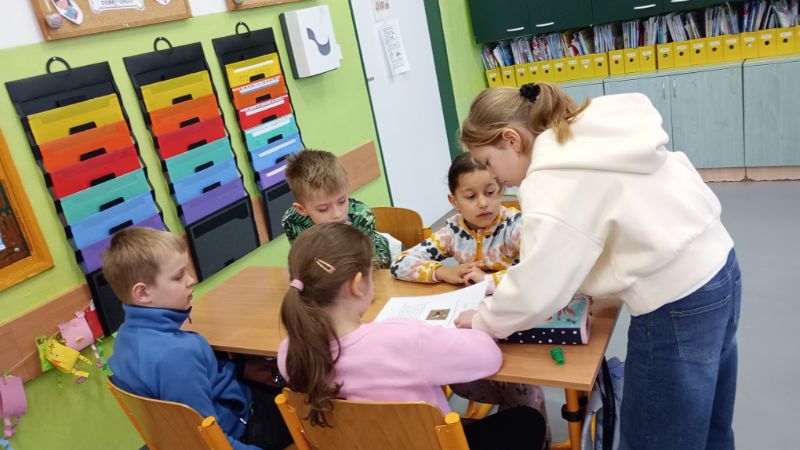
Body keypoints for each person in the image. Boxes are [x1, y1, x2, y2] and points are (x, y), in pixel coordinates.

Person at [456, 82, 741, 450]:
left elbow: (538, 289)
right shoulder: (590, 133)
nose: (495, 176)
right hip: (720, 270)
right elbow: (607, 222)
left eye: (489, 162)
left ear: (512, 140)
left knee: (654, 440)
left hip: (676, 303)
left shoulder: (551, 177)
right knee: (711, 427)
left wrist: (483, 321)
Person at [277, 222, 546, 450]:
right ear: (357, 285)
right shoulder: (404, 340)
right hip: (428, 444)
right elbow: (489, 357)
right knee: (527, 420)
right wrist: (478, 320)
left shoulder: (289, 352)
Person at [390, 153, 549, 437]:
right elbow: (400, 263)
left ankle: (532, 430)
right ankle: (512, 419)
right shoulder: (453, 230)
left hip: (509, 321)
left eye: (491, 192)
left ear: (501, 189)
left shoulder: (514, 225)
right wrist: (442, 271)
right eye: (471, 196)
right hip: (468, 325)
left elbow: (539, 268)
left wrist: (487, 281)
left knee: (520, 387)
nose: (483, 203)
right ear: (454, 201)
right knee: (460, 378)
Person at [104, 227, 292, 450]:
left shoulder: (126, 337)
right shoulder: (177, 355)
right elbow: (207, 440)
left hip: (209, 419)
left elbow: (192, 382)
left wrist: (241, 369)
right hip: (243, 431)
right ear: (143, 293)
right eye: (178, 276)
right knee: (309, 400)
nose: (191, 280)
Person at [281, 149, 391, 268]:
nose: (337, 214)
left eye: (342, 201)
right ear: (302, 209)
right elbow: (304, 262)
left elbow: (370, 267)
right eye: (323, 209)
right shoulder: (293, 221)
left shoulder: (361, 218)